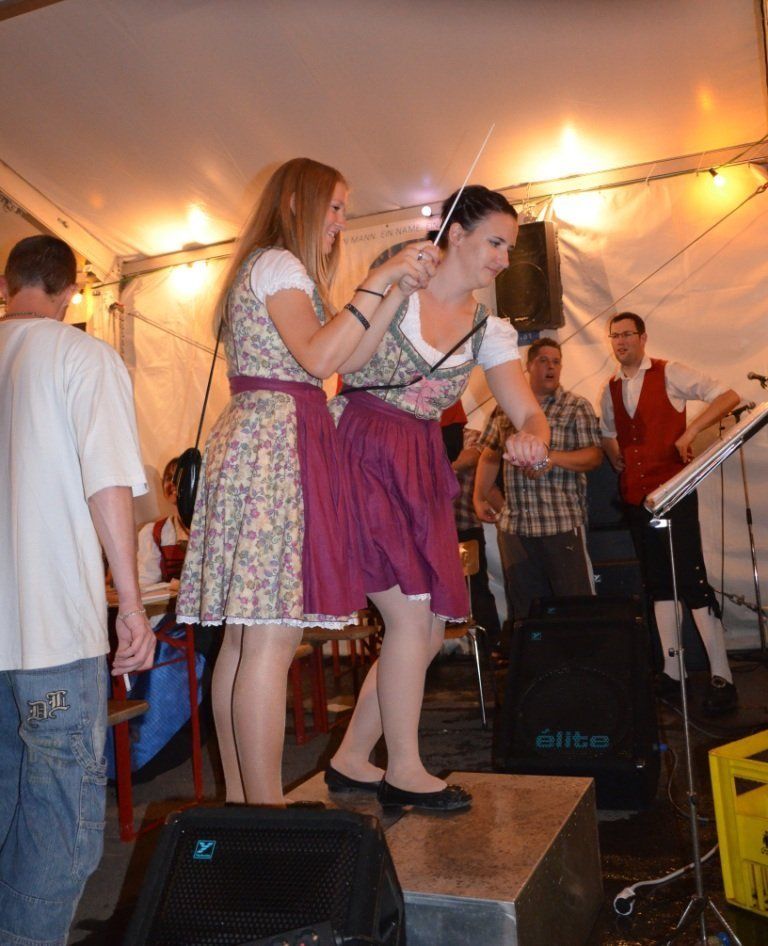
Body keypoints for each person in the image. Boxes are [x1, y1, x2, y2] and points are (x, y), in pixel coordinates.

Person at [176, 157, 437, 805]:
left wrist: (394, 290)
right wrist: (378, 279)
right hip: (276, 446)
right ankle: (263, 811)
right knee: (268, 637)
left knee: (246, 638)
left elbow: (349, 355)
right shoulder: (280, 265)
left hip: (258, 441)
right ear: (298, 201)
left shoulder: (265, 267)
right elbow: (320, 357)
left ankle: (246, 807)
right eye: (336, 207)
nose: (341, 221)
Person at [326, 186, 550, 811]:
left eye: (509, 247)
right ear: (456, 233)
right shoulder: (398, 286)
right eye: (495, 242)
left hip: (420, 461)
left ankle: (350, 758)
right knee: (408, 618)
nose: (504, 258)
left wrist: (533, 438)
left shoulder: (491, 330)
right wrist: (389, 284)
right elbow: (343, 360)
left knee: (424, 632)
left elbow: (528, 411)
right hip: (362, 449)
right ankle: (404, 768)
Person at [0, 235, 155, 945]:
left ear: (8, 285)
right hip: (52, 634)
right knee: (58, 823)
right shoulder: (82, 357)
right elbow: (108, 485)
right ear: (71, 292)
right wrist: (132, 605)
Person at [600, 311, 740, 715]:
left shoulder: (669, 372)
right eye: (615, 336)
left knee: (691, 580)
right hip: (637, 499)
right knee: (659, 584)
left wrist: (690, 432)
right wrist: (616, 457)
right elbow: (607, 432)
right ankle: (672, 671)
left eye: (628, 334)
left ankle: (722, 675)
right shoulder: (609, 388)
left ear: (643, 338)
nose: (621, 341)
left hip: (674, 492)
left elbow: (727, 395)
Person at [473, 337, 602, 627]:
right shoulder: (505, 408)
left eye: (556, 362)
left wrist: (550, 457)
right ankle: (535, 657)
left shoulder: (576, 406)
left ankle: (578, 656)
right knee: (526, 612)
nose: (551, 367)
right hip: (516, 528)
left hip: (561, 523)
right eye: (544, 361)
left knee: (575, 608)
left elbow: (594, 457)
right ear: (529, 366)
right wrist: (479, 497)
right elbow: (490, 454)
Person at [440, 403, 502, 653]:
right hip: (435, 533)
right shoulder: (426, 441)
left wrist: (444, 469)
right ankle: (442, 648)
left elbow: (472, 457)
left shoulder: (472, 437)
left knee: (476, 589)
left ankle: (491, 646)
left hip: (465, 529)